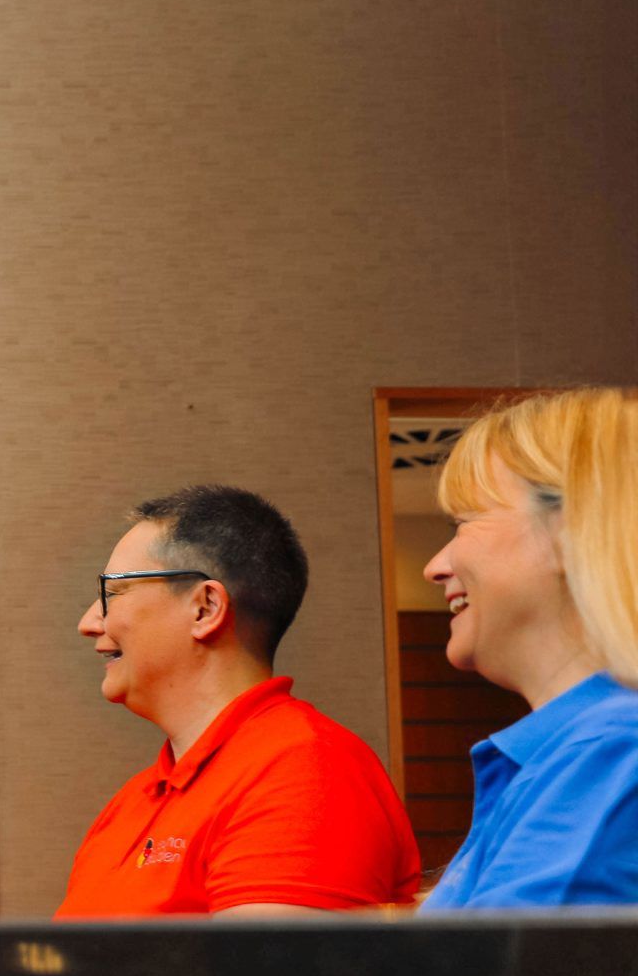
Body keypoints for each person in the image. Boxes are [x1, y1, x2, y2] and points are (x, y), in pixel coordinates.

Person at [58, 484, 419, 915]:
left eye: (111, 593)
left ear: (205, 608)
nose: (89, 622)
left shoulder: (304, 770)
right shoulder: (133, 801)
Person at [419, 387, 638, 907]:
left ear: (569, 532)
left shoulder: (611, 753)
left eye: (463, 523)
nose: (434, 567)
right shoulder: (572, 753)